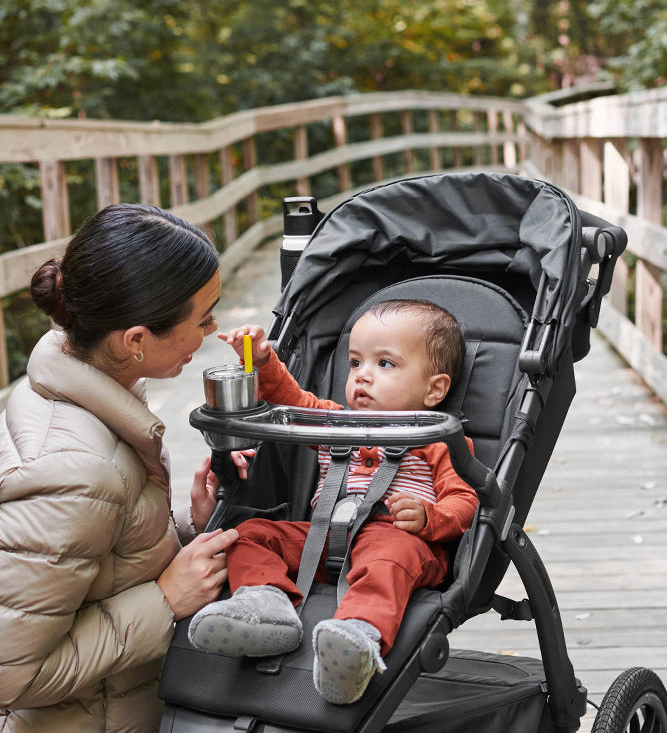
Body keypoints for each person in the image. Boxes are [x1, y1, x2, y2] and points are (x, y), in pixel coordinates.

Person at [0, 203, 243, 733]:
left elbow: (83, 556)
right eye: (204, 319)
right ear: (134, 339)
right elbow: (2, 674)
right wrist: (165, 600)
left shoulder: (79, 389)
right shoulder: (74, 469)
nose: (211, 334)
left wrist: (183, 525)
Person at [188, 299, 479, 705]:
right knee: (248, 534)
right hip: (322, 538)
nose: (362, 376)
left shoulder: (438, 439)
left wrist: (430, 517)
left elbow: (466, 500)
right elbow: (292, 401)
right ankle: (266, 607)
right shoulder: (335, 421)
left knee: (389, 559)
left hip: (399, 540)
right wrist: (263, 358)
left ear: (434, 389)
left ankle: (355, 639)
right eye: (356, 362)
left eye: (385, 365)